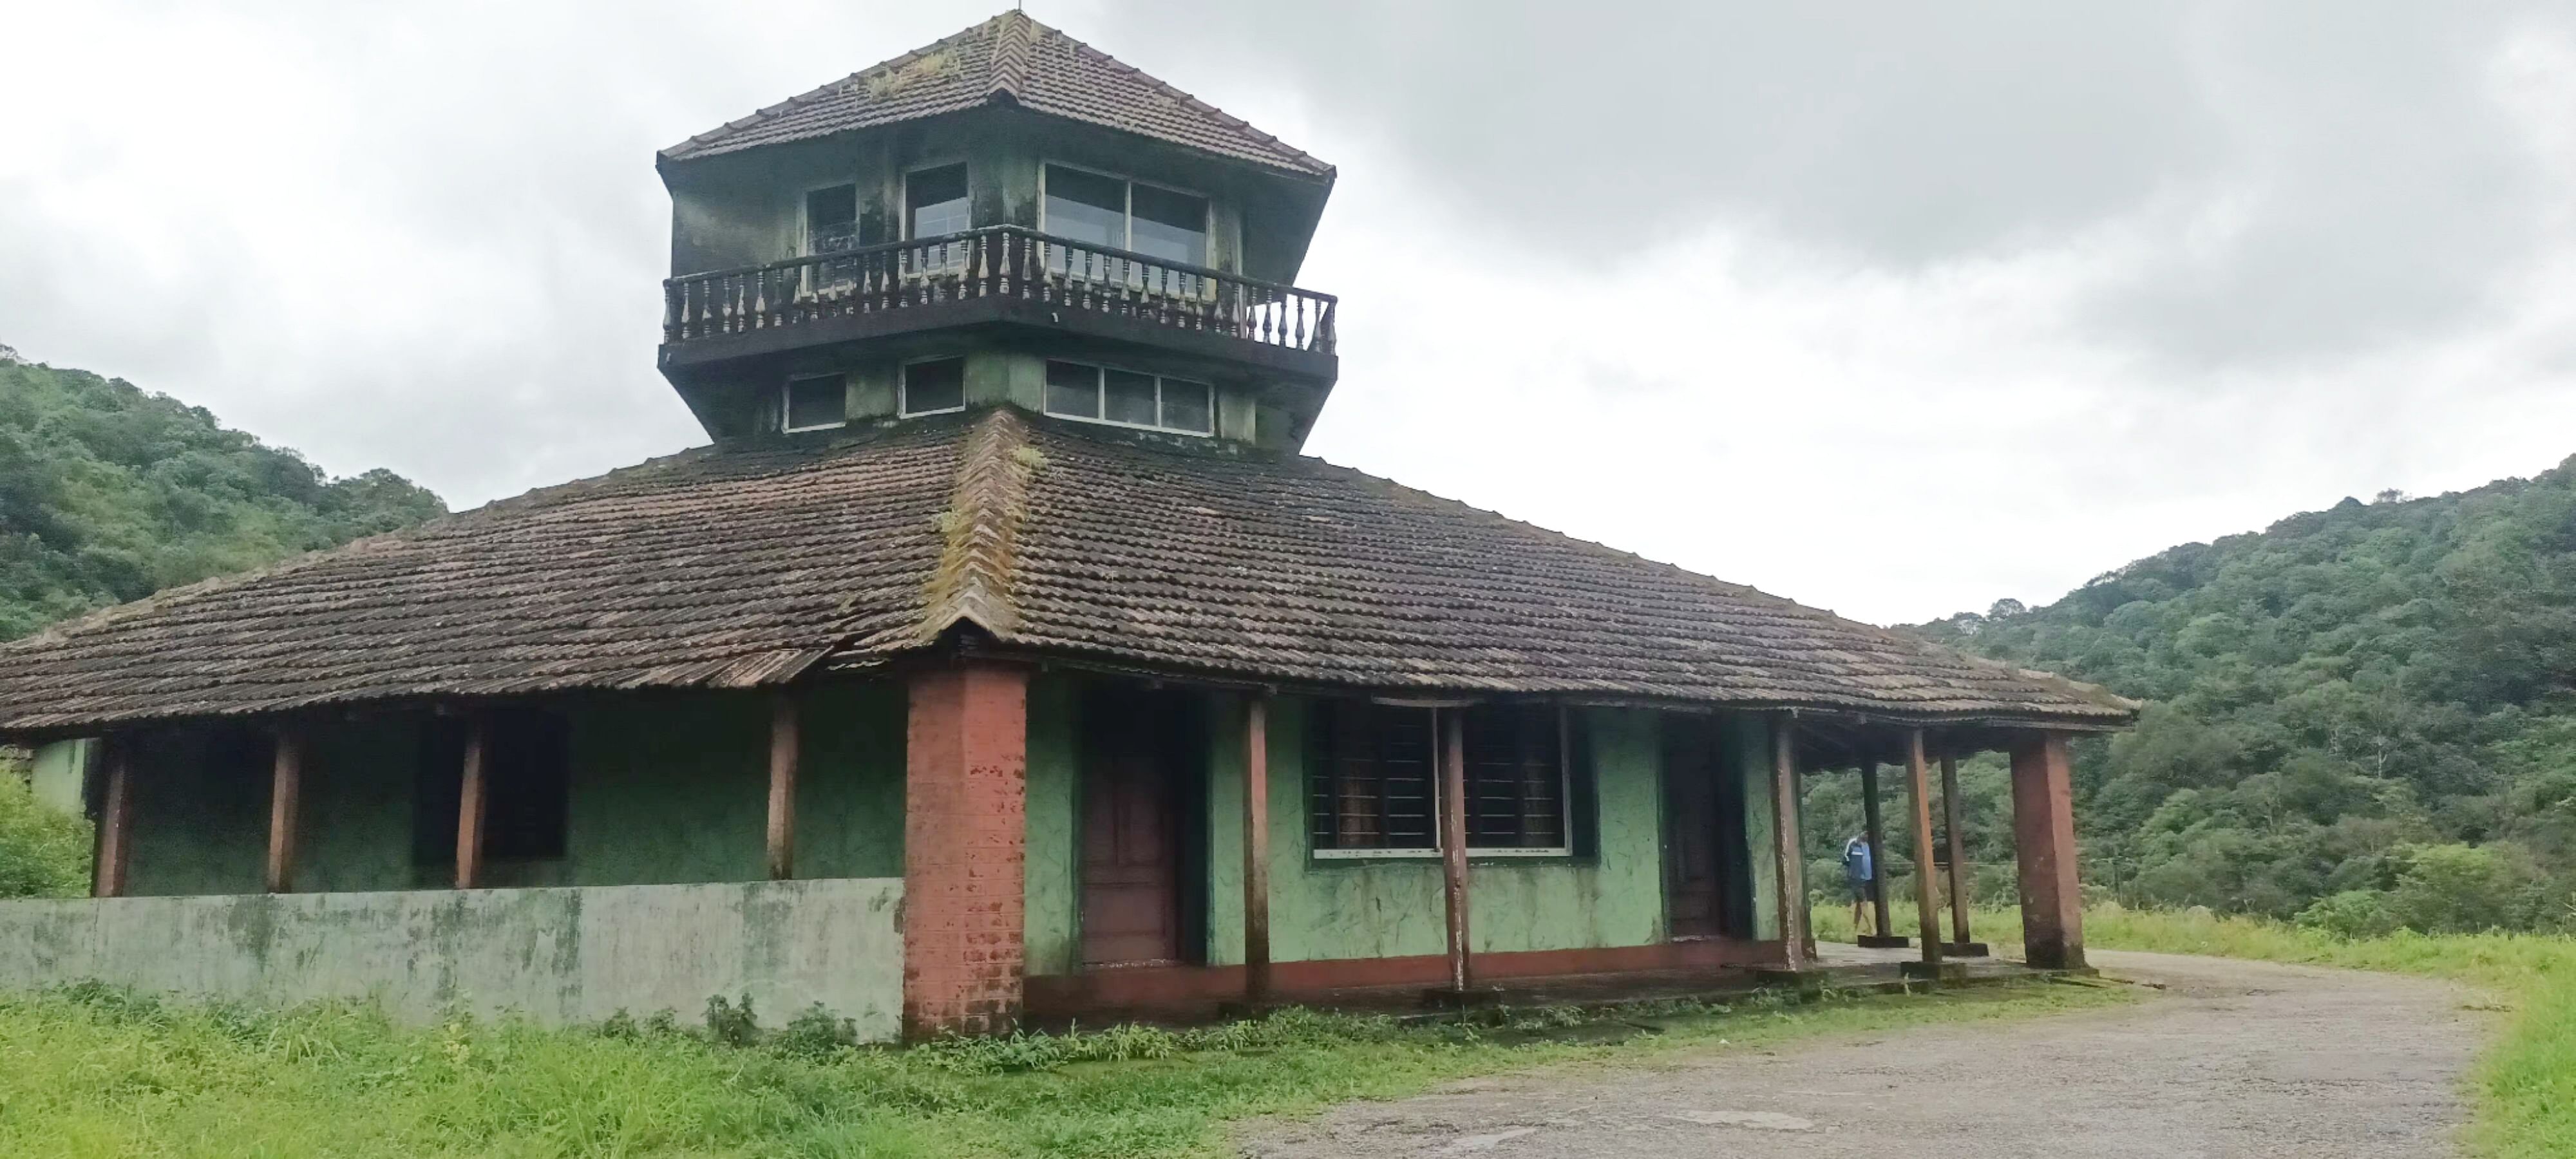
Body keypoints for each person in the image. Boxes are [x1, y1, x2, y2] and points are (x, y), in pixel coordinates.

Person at [1841, 833, 1875, 933]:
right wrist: (1854, 870)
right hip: (1857, 879)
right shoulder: (1854, 843)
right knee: (1864, 903)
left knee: (1859, 906)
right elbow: (1845, 858)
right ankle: (1873, 929)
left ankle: (1854, 929)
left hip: (1869, 879)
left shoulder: (1871, 845)